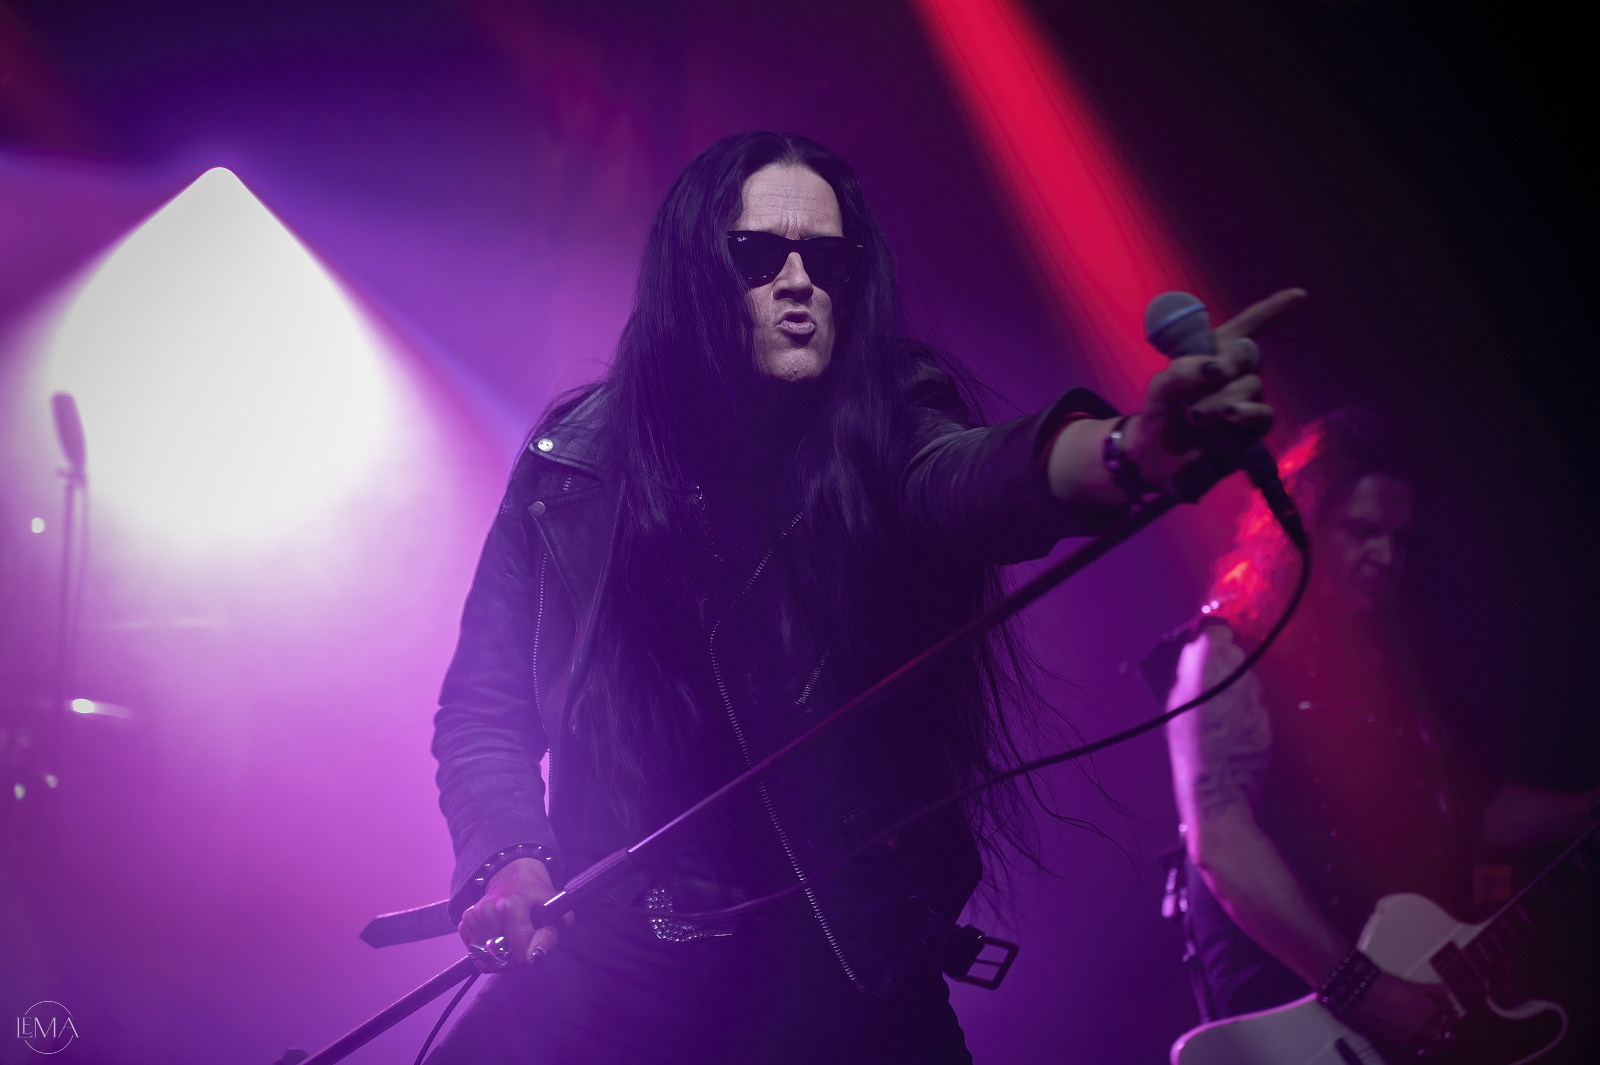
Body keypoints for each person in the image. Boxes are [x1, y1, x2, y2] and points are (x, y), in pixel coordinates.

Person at [427, 130, 1297, 1064]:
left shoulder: (888, 419)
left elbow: (976, 474)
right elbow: (485, 708)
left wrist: (1130, 451)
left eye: (827, 259)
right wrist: (512, 856)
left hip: (839, 981)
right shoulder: (573, 465)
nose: (799, 281)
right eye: (759, 255)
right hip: (615, 981)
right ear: (691, 271)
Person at [1148, 408, 1600, 1055]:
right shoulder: (1229, 653)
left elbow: (1470, 810)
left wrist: (1585, 811)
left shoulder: (1398, 657)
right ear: (1301, 525)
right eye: (1361, 531)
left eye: (1399, 539)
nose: (1385, 557)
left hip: (1404, 1005)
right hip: (1295, 1019)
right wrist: (1357, 987)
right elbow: (1220, 840)